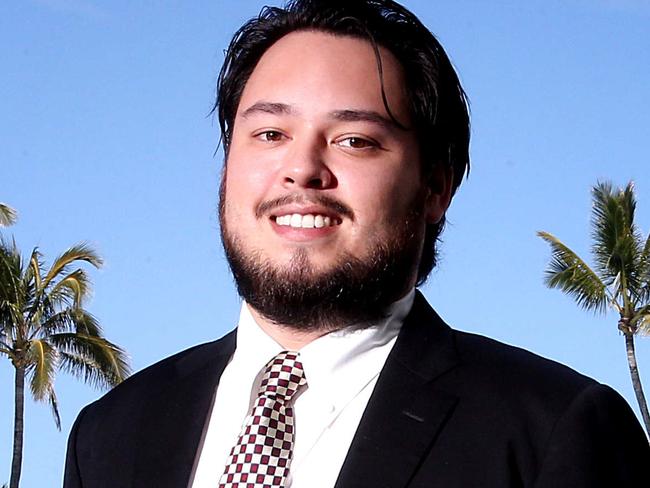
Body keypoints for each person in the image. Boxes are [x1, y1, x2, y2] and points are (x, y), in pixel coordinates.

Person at [63, 0, 649, 487]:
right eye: (270, 133)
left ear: (435, 188)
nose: (302, 169)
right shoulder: (110, 434)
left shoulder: (552, 433)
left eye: (354, 140)